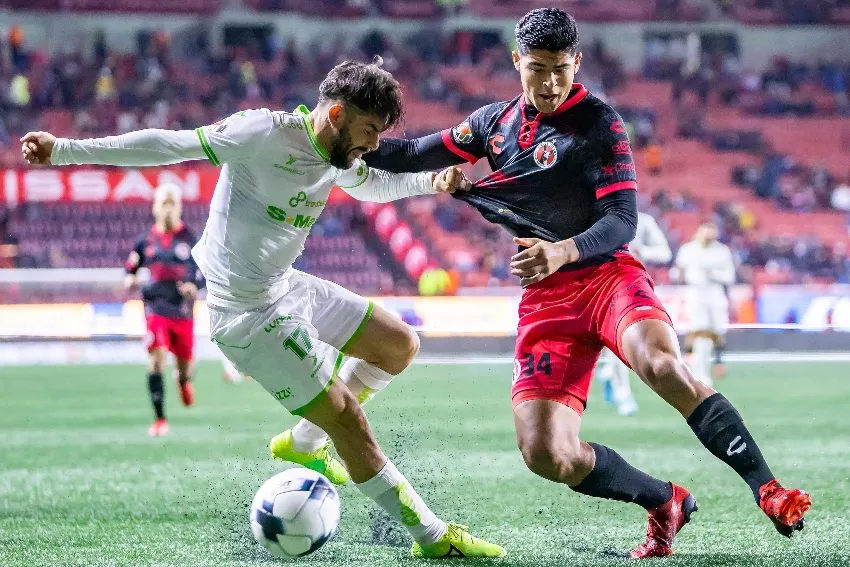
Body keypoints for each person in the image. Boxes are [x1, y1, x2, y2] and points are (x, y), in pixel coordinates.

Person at [362, 8, 811, 558]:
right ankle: (664, 499)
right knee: (547, 455)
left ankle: (766, 488)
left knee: (664, 365)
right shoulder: (490, 126)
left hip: (606, 278)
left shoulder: (600, 123)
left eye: (560, 69)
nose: (550, 83)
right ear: (516, 62)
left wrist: (563, 249)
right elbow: (408, 154)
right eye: (537, 69)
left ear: (577, 62)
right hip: (547, 299)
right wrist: (329, 134)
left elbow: (623, 220)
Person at [20, 59, 505, 559]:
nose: (375, 145)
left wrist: (434, 182)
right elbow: (168, 144)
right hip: (245, 316)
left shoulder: (337, 156)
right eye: (368, 131)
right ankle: (432, 536)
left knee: (400, 345)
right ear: (336, 114)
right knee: (349, 419)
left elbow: (373, 185)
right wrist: (63, 150)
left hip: (286, 287)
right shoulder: (261, 133)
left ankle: (302, 442)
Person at [124, 183, 203, 436]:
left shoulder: (191, 239)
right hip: (155, 308)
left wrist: (194, 285)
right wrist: (132, 280)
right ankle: (160, 419)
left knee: (184, 368)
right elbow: (129, 272)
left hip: (182, 310)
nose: (167, 209)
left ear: (179, 208)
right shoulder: (144, 241)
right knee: (156, 358)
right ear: (156, 208)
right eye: (163, 204)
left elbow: (204, 273)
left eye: (172, 204)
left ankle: (183, 381)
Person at [597, 211, 672, 416]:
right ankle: (620, 390)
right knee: (614, 341)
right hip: (599, 285)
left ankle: (615, 382)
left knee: (622, 340)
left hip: (631, 286)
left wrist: (643, 251)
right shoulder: (597, 216)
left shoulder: (644, 221)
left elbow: (664, 252)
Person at [673, 222, 735, 386]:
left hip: (715, 293)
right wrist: (679, 274)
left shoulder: (722, 251)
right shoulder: (688, 250)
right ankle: (698, 371)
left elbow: (729, 276)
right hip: (695, 293)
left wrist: (713, 274)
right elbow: (677, 272)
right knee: (699, 330)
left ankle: (713, 363)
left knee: (715, 331)